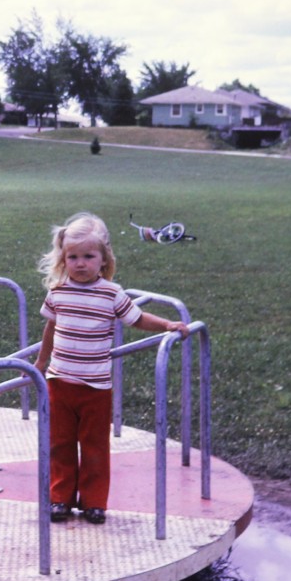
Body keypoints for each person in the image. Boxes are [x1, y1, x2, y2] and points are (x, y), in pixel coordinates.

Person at [34, 212, 189, 525]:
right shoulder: (58, 292)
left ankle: (94, 502)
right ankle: (60, 498)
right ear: (64, 259)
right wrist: (41, 360)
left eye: (88, 257)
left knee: (94, 447)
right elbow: (51, 328)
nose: (80, 263)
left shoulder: (111, 293)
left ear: (103, 259)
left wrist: (167, 324)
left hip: (96, 388)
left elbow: (137, 318)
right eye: (73, 257)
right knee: (59, 444)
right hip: (60, 382)